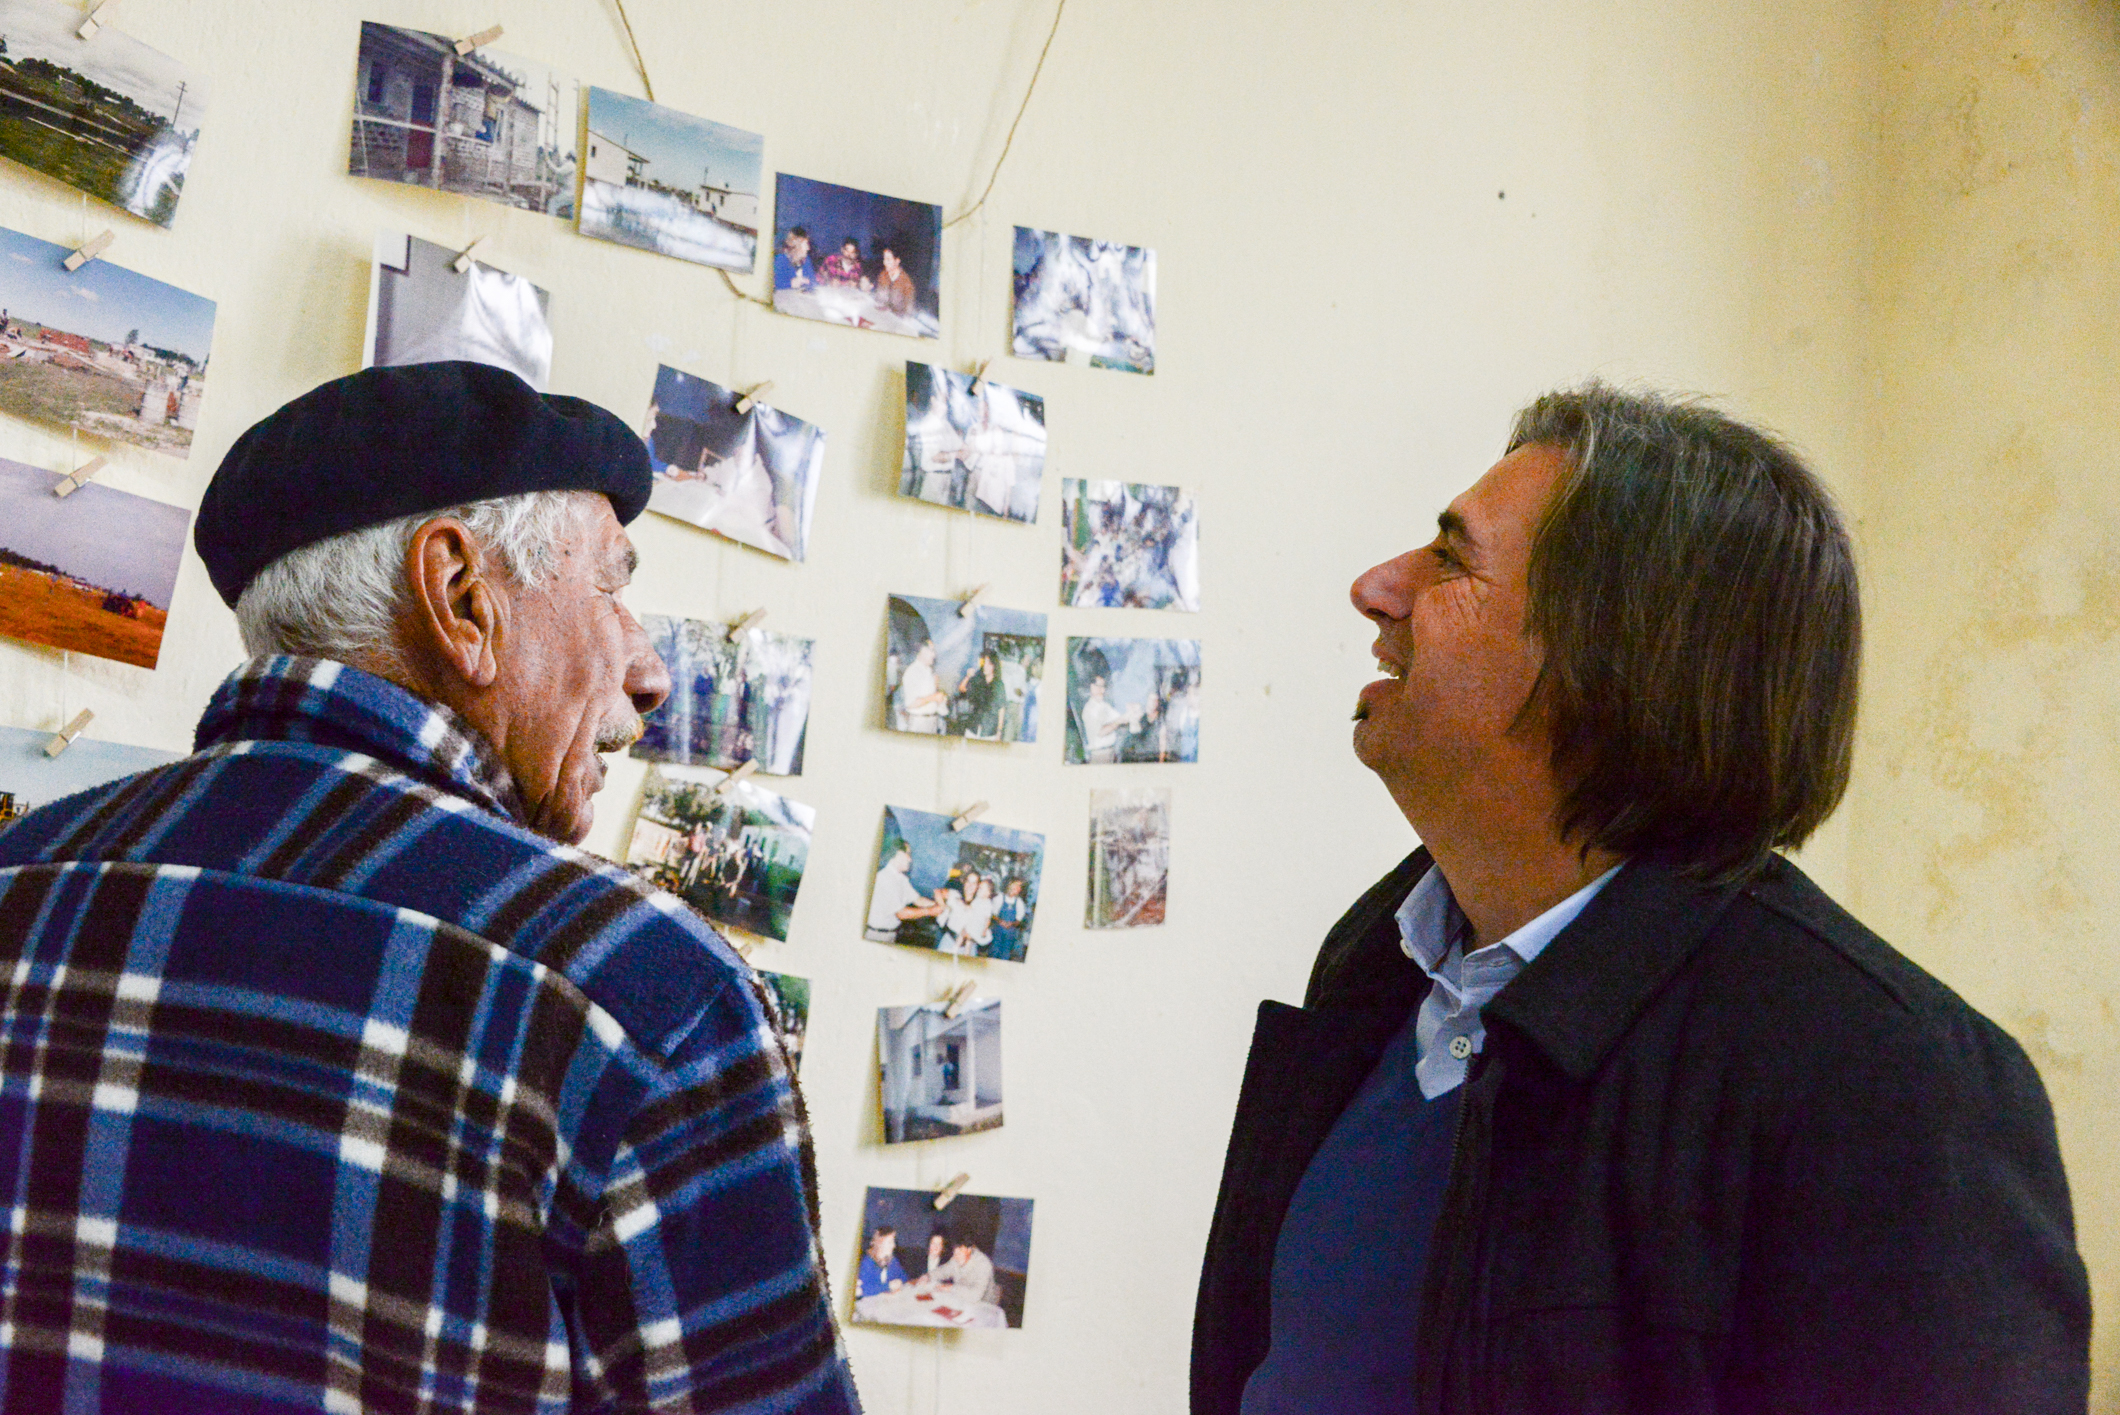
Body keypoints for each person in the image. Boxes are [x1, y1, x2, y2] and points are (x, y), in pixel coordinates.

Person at [1192, 384, 2090, 1414]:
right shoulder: (1374, 961)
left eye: (1449, 560)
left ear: (1611, 653)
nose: (1376, 588)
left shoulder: (1890, 1084)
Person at [0, 363, 860, 1413]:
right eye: (612, 585)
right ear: (461, 597)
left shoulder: (18, 880)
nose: (648, 671)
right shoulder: (650, 1002)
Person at [866, 844, 944, 945]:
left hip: (891, 934)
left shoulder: (901, 879)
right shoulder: (885, 878)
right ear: (899, 854)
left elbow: (918, 900)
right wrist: (930, 911)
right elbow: (901, 913)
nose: (910, 859)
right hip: (876, 936)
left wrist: (940, 906)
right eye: (908, 854)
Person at [1078, 673, 1143, 763]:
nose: (1103, 690)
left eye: (1104, 687)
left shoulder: (1104, 705)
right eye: (1100, 686)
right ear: (1092, 687)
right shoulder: (1089, 709)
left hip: (1111, 752)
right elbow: (1101, 732)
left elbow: (1121, 718)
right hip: (1100, 754)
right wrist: (1119, 721)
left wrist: (1132, 710)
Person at [927, 1232, 1001, 1307]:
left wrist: (950, 1288)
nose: (956, 1253)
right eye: (955, 1249)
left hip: (984, 1304)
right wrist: (928, 1276)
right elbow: (944, 1271)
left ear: (969, 1249)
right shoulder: (956, 1257)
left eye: (960, 1249)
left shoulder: (984, 1264)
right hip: (962, 1299)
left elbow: (975, 1296)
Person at [938, 870, 996, 956]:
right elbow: (937, 892)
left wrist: (974, 936)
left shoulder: (982, 904)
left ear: (978, 886)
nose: (970, 885)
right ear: (964, 882)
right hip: (950, 943)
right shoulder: (955, 896)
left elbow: (987, 937)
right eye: (968, 881)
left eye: (974, 883)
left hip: (970, 948)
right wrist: (942, 906)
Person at [895, 639, 948, 733]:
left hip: (932, 721)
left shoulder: (928, 671)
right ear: (923, 651)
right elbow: (910, 703)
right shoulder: (913, 672)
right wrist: (934, 697)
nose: (934, 655)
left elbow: (928, 695)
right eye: (932, 650)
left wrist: (938, 694)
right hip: (919, 723)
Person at [989, 875, 1031, 961]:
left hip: (1010, 934)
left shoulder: (1019, 902)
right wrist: (1000, 921)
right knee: (994, 951)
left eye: (1020, 887)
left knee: (1006, 954)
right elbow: (992, 914)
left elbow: (1019, 920)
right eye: (1017, 885)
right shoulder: (1000, 897)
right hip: (998, 931)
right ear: (1010, 885)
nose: (1019, 888)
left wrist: (1012, 924)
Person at [858, 1227, 907, 1299]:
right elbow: (862, 1290)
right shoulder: (867, 1263)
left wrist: (899, 1282)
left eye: (893, 1242)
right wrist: (887, 1286)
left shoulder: (892, 1260)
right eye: (890, 1242)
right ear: (879, 1243)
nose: (894, 1246)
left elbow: (903, 1277)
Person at [873, 244, 915, 316]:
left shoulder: (906, 282)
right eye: (884, 259)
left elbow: (909, 310)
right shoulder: (883, 275)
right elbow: (878, 298)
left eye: (888, 259)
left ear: (897, 261)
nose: (885, 262)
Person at [773, 225, 814, 290]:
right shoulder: (781, 259)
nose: (808, 248)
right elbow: (774, 285)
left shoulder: (806, 260)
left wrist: (809, 282)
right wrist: (790, 284)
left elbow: (814, 282)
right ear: (796, 245)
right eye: (806, 244)